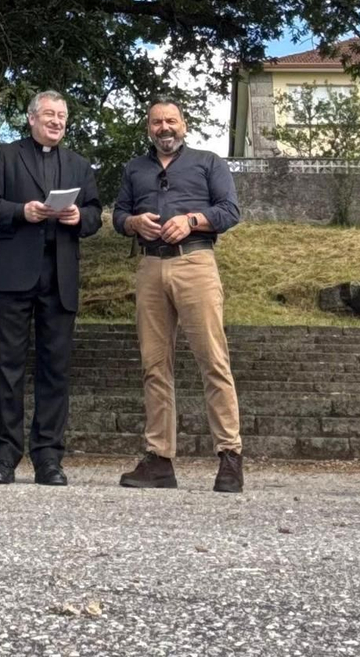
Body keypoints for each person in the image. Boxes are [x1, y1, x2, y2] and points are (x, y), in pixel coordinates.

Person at [112, 96, 245, 493]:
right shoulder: (135, 168)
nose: (164, 128)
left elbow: (230, 211)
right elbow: (118, 215)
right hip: (151, 267)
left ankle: (230, 456)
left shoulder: (208, 162)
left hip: (195, 263)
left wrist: (191, 220)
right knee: (154, 364)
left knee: (213, 360)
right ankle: (159, 459)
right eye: (157, 122)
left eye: (171, 121)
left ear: (183, 125)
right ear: (148, 128)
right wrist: (134, 222)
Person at [0, 89, 103, 485]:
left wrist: (78, 217)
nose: (56, 121)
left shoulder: (80, 165)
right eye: (49, 114)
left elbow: (97, 215)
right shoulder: (8, 157)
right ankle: (3, 457)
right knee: (6, 368)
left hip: (59, 276)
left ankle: (49, 458)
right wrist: (22, 211)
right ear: (31, 119)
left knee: (55, 370)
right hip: (13, 275)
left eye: (62, 116)